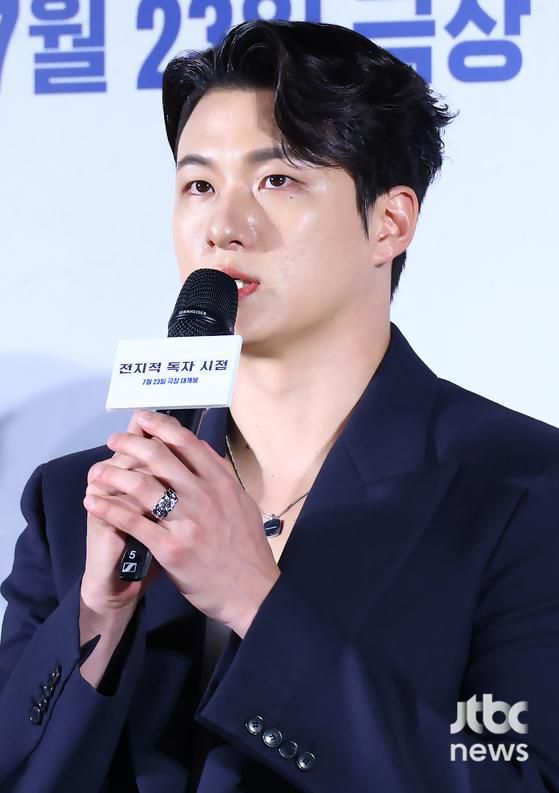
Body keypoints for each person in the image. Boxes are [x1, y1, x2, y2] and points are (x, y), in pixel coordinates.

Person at [1, 17, 558, 793]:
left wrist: (255, 602)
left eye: (277, 181)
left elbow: (519, 778)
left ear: (389, 222)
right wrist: (97, 610)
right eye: (199, 186)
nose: (223, 228)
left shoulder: (524, 488)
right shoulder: (79, 499)